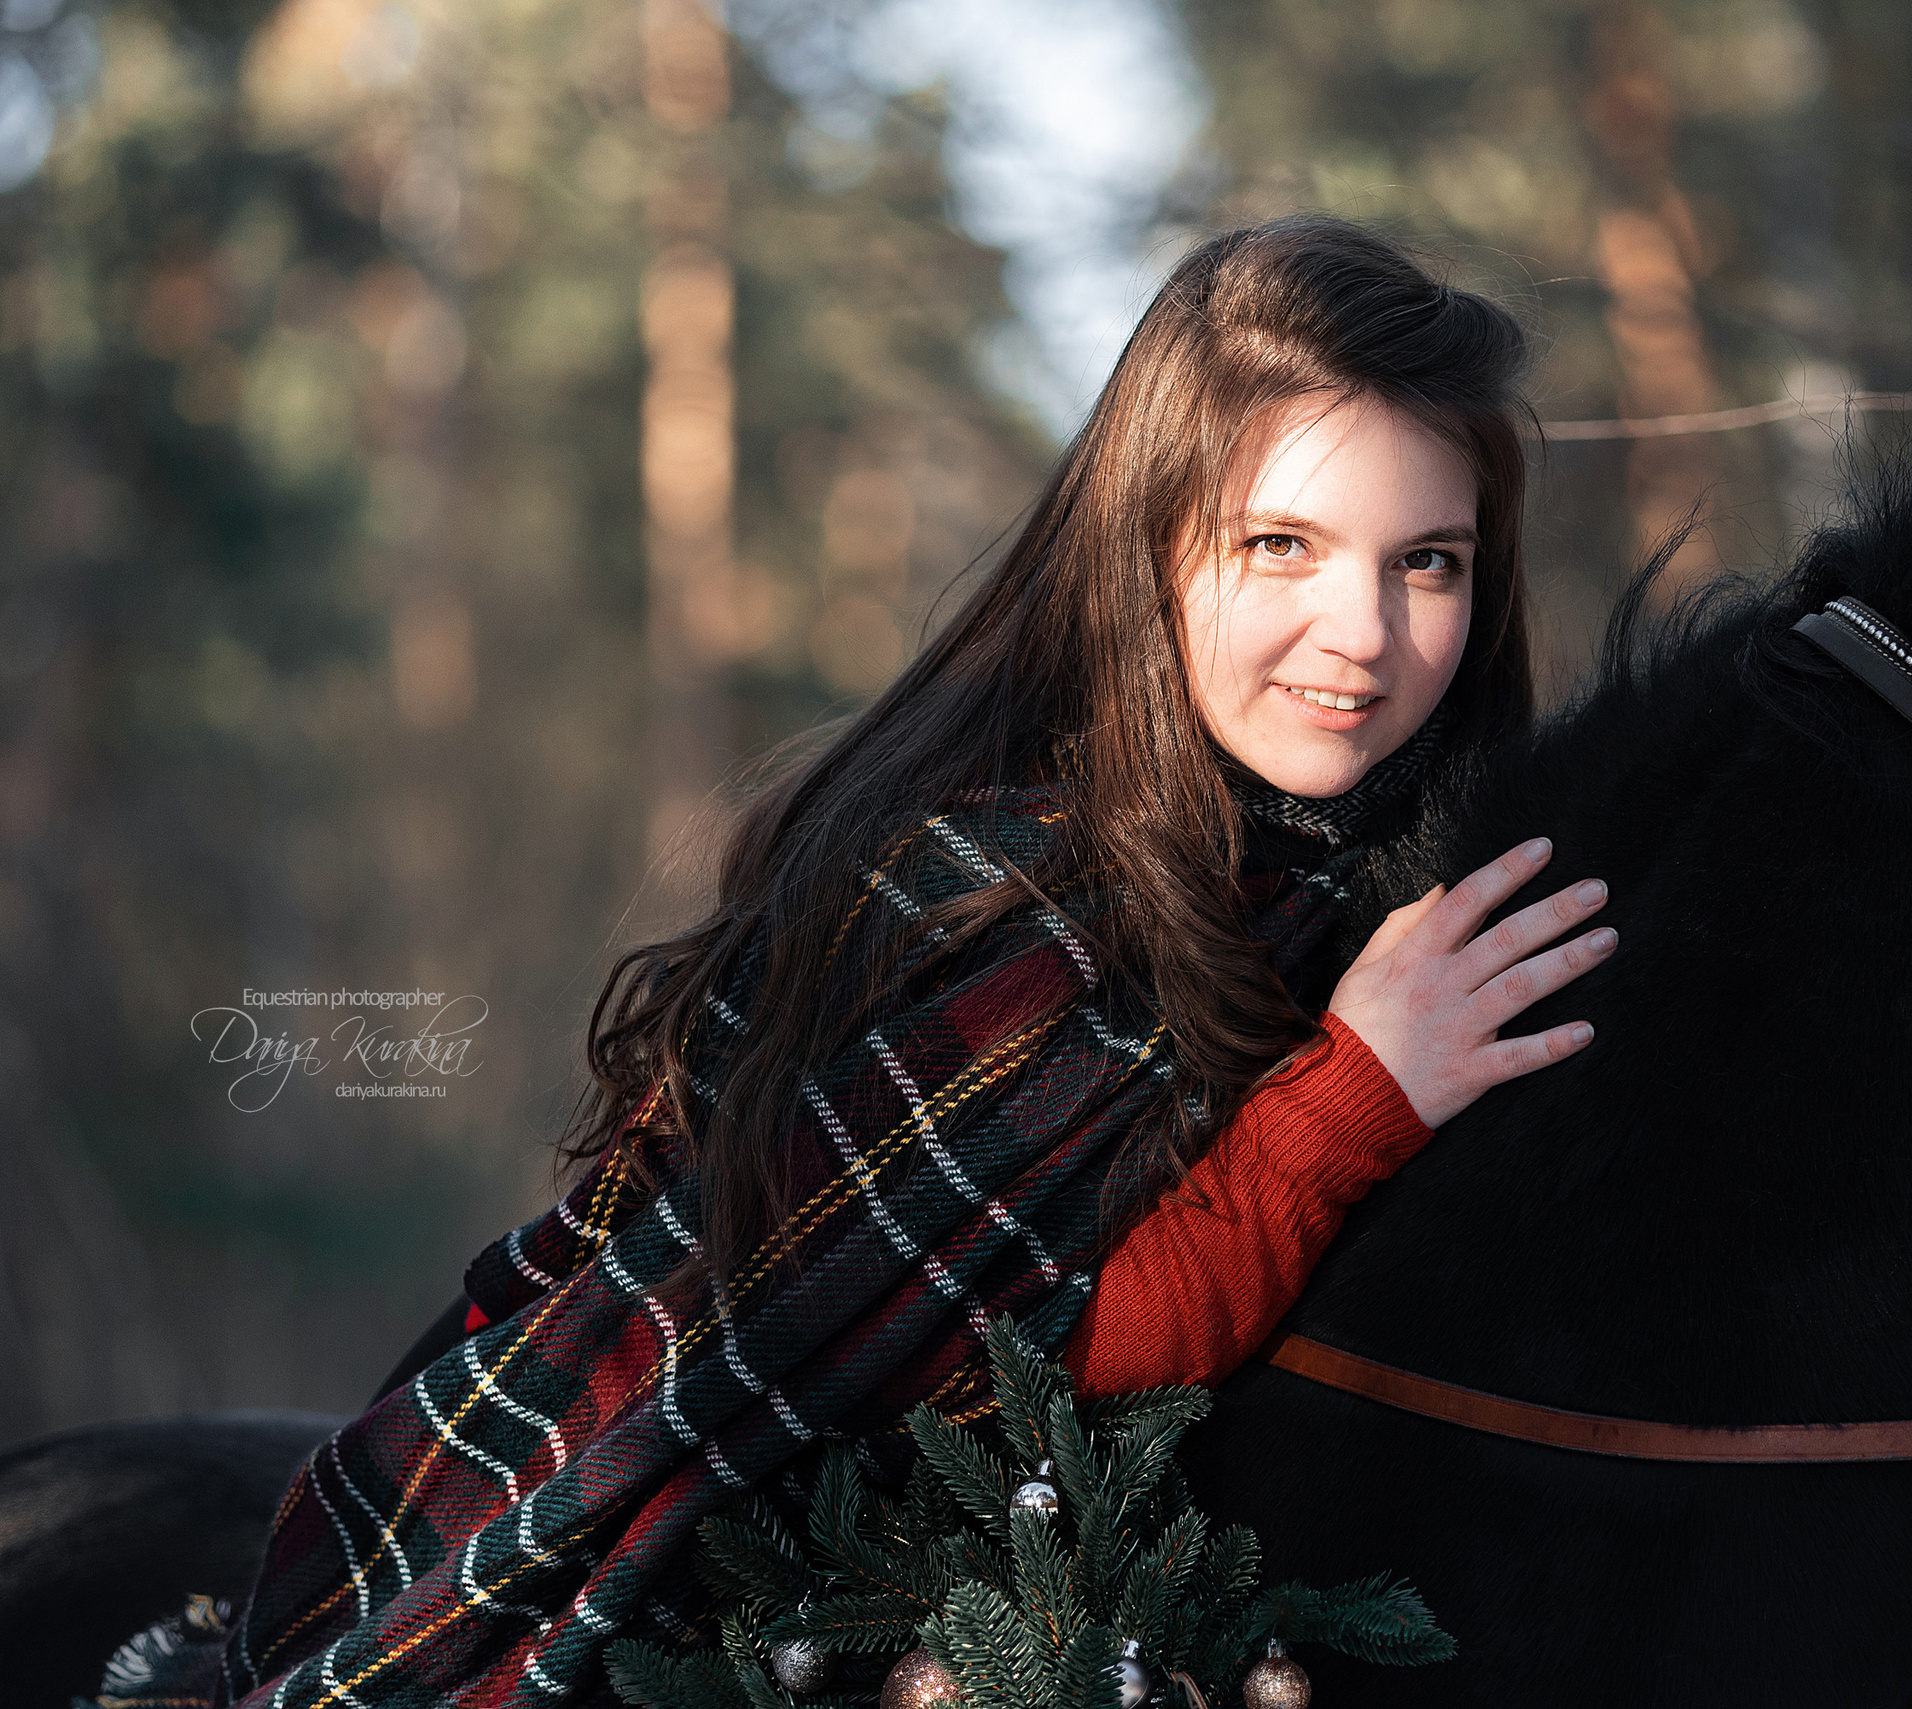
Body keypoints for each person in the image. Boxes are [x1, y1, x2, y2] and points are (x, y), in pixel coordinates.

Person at [194, 215, 1616, 1708]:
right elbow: (1019, 1374)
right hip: (737, 1595)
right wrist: (1349, 1101)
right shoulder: (984, 892)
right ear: (1150, 544)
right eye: (1282, 544)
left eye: (1429, 562)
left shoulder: (1380, 895)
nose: (1365, 634)